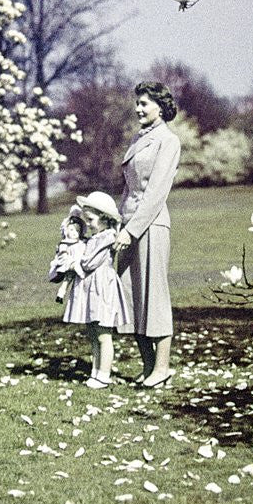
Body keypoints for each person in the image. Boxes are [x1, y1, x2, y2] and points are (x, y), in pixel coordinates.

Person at [114, 81, 181, 388]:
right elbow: (127, 189)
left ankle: (163, 367)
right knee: (130, 295)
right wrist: (117, 224)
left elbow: (155, 193)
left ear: (160, 106)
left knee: (154, 295)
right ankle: (149, 365)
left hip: (150, 225)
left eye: (144, 103)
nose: (138, 108)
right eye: (137, 103)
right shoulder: (139, 140)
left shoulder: (168, 141)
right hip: (127, 226)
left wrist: (132, 229)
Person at [61, 190, 130, 389]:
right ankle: (96, 371)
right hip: (91, 287)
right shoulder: (94, 238)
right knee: (93, 332)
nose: (88, 224)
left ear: (105, 219)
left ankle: (104, 374)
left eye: (90, 219)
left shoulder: (107, 237)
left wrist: (74, 258)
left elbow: (89, 262)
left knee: (103, 333)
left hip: (102, 288)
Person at [48, 206, 87, 303]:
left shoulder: (81, 242)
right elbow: (62, 254)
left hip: (79, 262)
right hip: (70, 263)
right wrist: (68, 261)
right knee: (71, 274)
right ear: (66, 230)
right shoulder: (65, 243)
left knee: (68, 279)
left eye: (77, 231)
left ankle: (61, 294)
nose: (74, 233)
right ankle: (61, 293)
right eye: (72, 230)